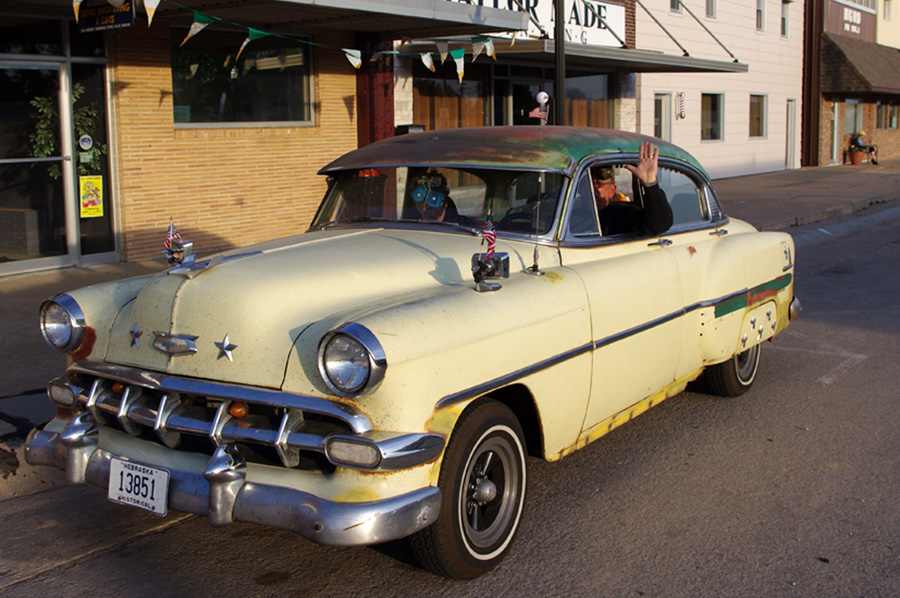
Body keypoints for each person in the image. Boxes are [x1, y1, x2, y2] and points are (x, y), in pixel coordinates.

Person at [590, 141, 673, 236]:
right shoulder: (572, 211)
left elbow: (659, 225)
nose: (591, 190)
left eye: (598, 184)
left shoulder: (620, 216)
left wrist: (650, 183)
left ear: (612, 190)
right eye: (586, 184)